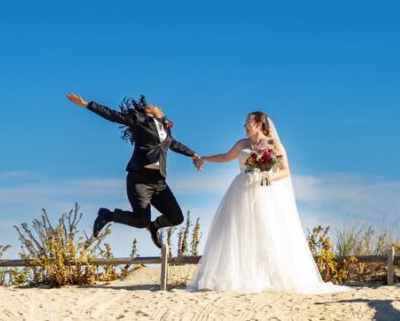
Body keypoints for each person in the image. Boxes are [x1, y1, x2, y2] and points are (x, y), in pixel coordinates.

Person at [188, 111, 345, 293]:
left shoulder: (273, 144)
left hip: (265, 192)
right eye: (244, 123)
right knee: (237, 231)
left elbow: (285, 170)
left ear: (260, 124)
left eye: (248, 122)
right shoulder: (242, 144)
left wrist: (271, 175)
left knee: (266, 231)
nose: (245, 126)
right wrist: (204, 159)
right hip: (241, 190)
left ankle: (267, 276)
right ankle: (235, 275)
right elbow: (225, 157)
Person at [66, 92, 201, 249]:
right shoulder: (138, 119)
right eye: (155, 106)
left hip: (158, 182)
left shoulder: (165, 128)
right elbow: (112, 115)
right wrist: (86, 104)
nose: (160, 107)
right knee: (141, 221)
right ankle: (108, 215)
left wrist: (193, 154)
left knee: (176, 218)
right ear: (148, 110)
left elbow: (173, 144)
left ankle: (154, 226)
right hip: (140, 180)